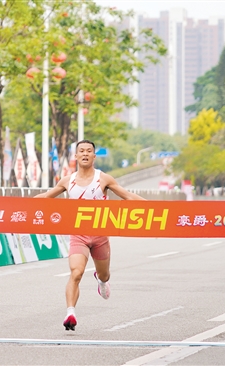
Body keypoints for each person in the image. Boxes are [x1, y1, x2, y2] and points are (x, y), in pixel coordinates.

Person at [35, 139, 146, 331]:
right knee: (76, 273)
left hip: (101, 236)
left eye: (89, 151)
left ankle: (101, 280)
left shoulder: (104, 179)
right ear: (76, 156)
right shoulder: (67, 181)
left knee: (104, 274)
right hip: (78, 235)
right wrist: (15, 206)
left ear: (94, 156)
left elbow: (127, 196)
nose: (85, 154)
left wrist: (157, 207)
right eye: (81, 151)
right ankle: (70, 313)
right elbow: (45, 197)